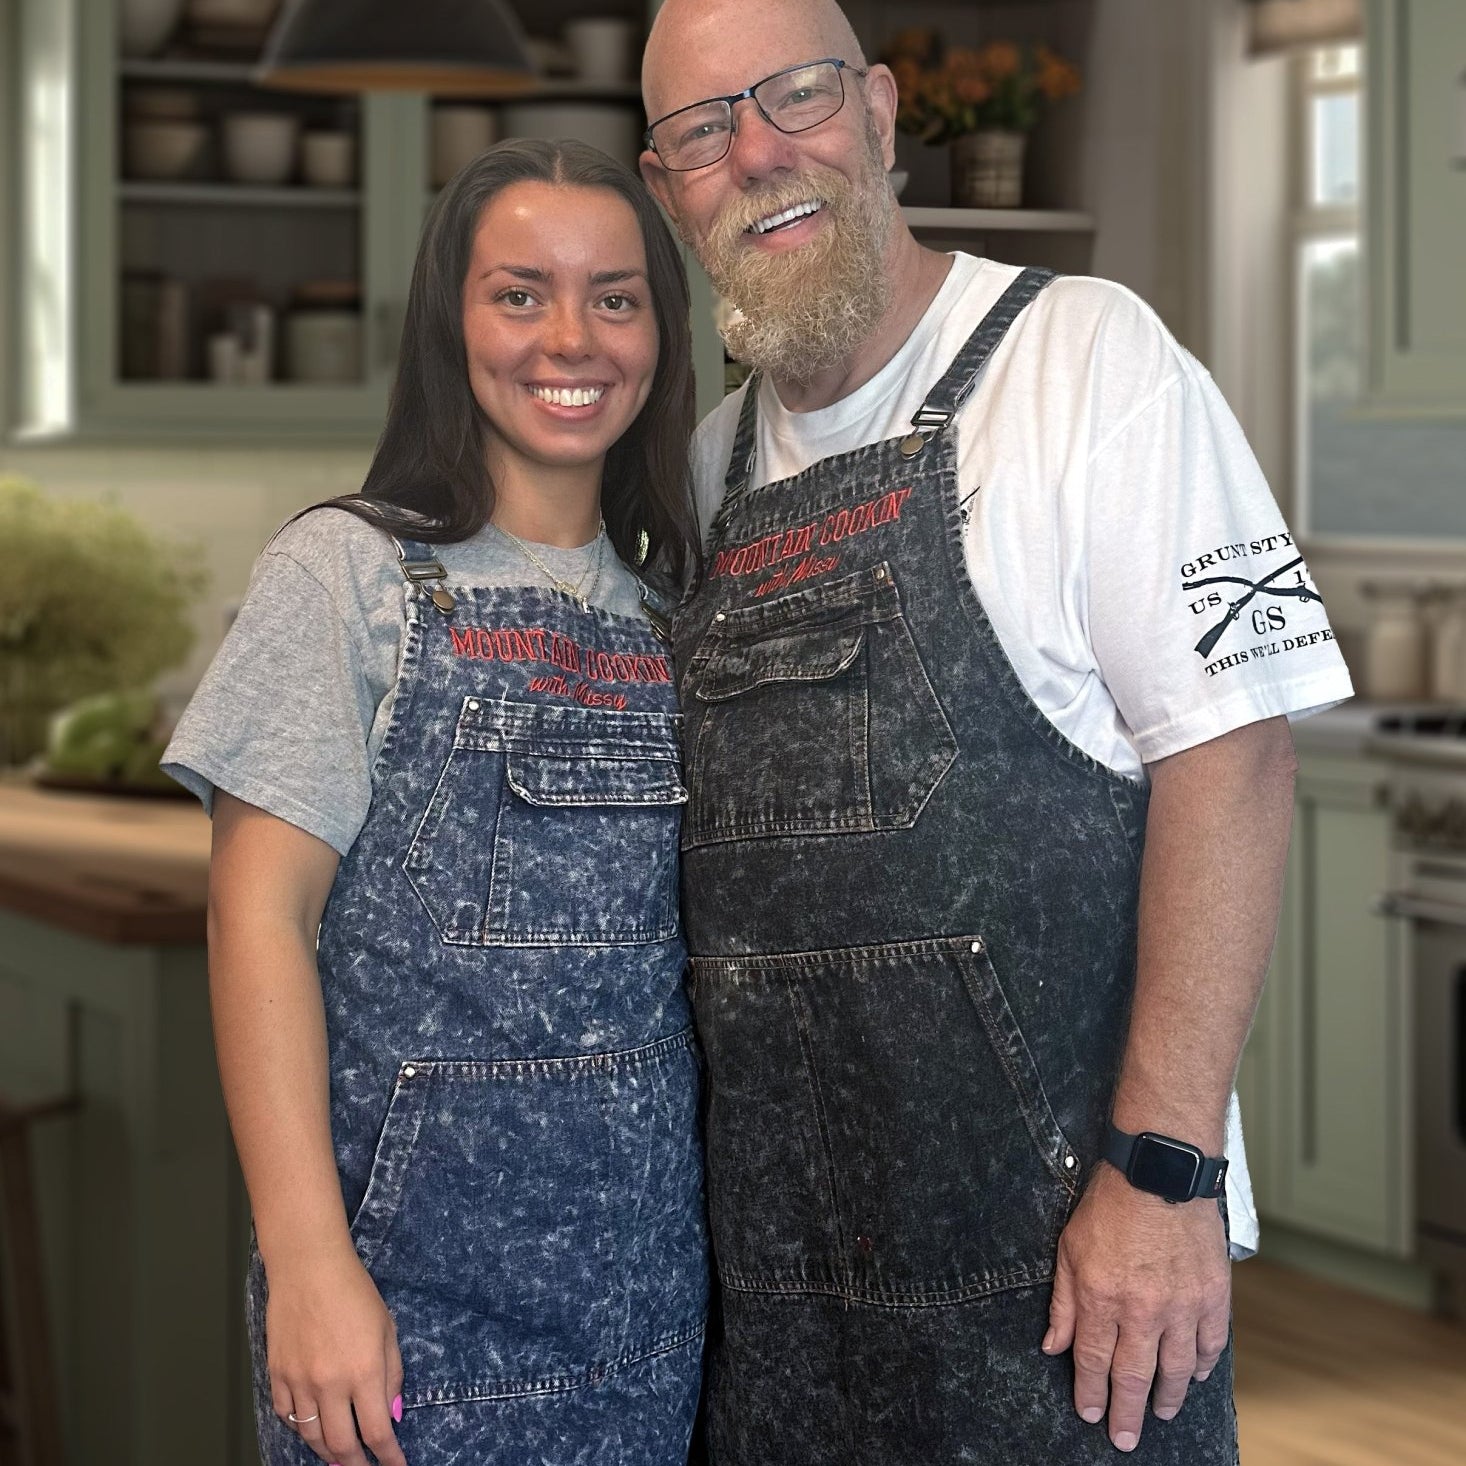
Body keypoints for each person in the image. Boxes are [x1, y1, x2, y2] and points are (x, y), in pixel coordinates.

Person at [638, 1, 1354, 1461]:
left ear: (883, 115)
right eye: (700, 131)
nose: (757, 153)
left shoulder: (1089, 361)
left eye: (794, 97)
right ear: (667, 191)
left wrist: (1161, 1172)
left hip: (1068, 1299)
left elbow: (1234, 758)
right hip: (770, 1313)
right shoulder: (702, 472)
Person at [162, 139, 708, 1466]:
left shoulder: (676, 617)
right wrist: (306, 1266)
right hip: (397, 1323)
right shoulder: (344, 575)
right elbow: (255, 922)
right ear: (448, 320)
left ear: (659, 332)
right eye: (519, 292)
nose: (570, 338)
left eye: (616, 297)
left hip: (648, 1323)